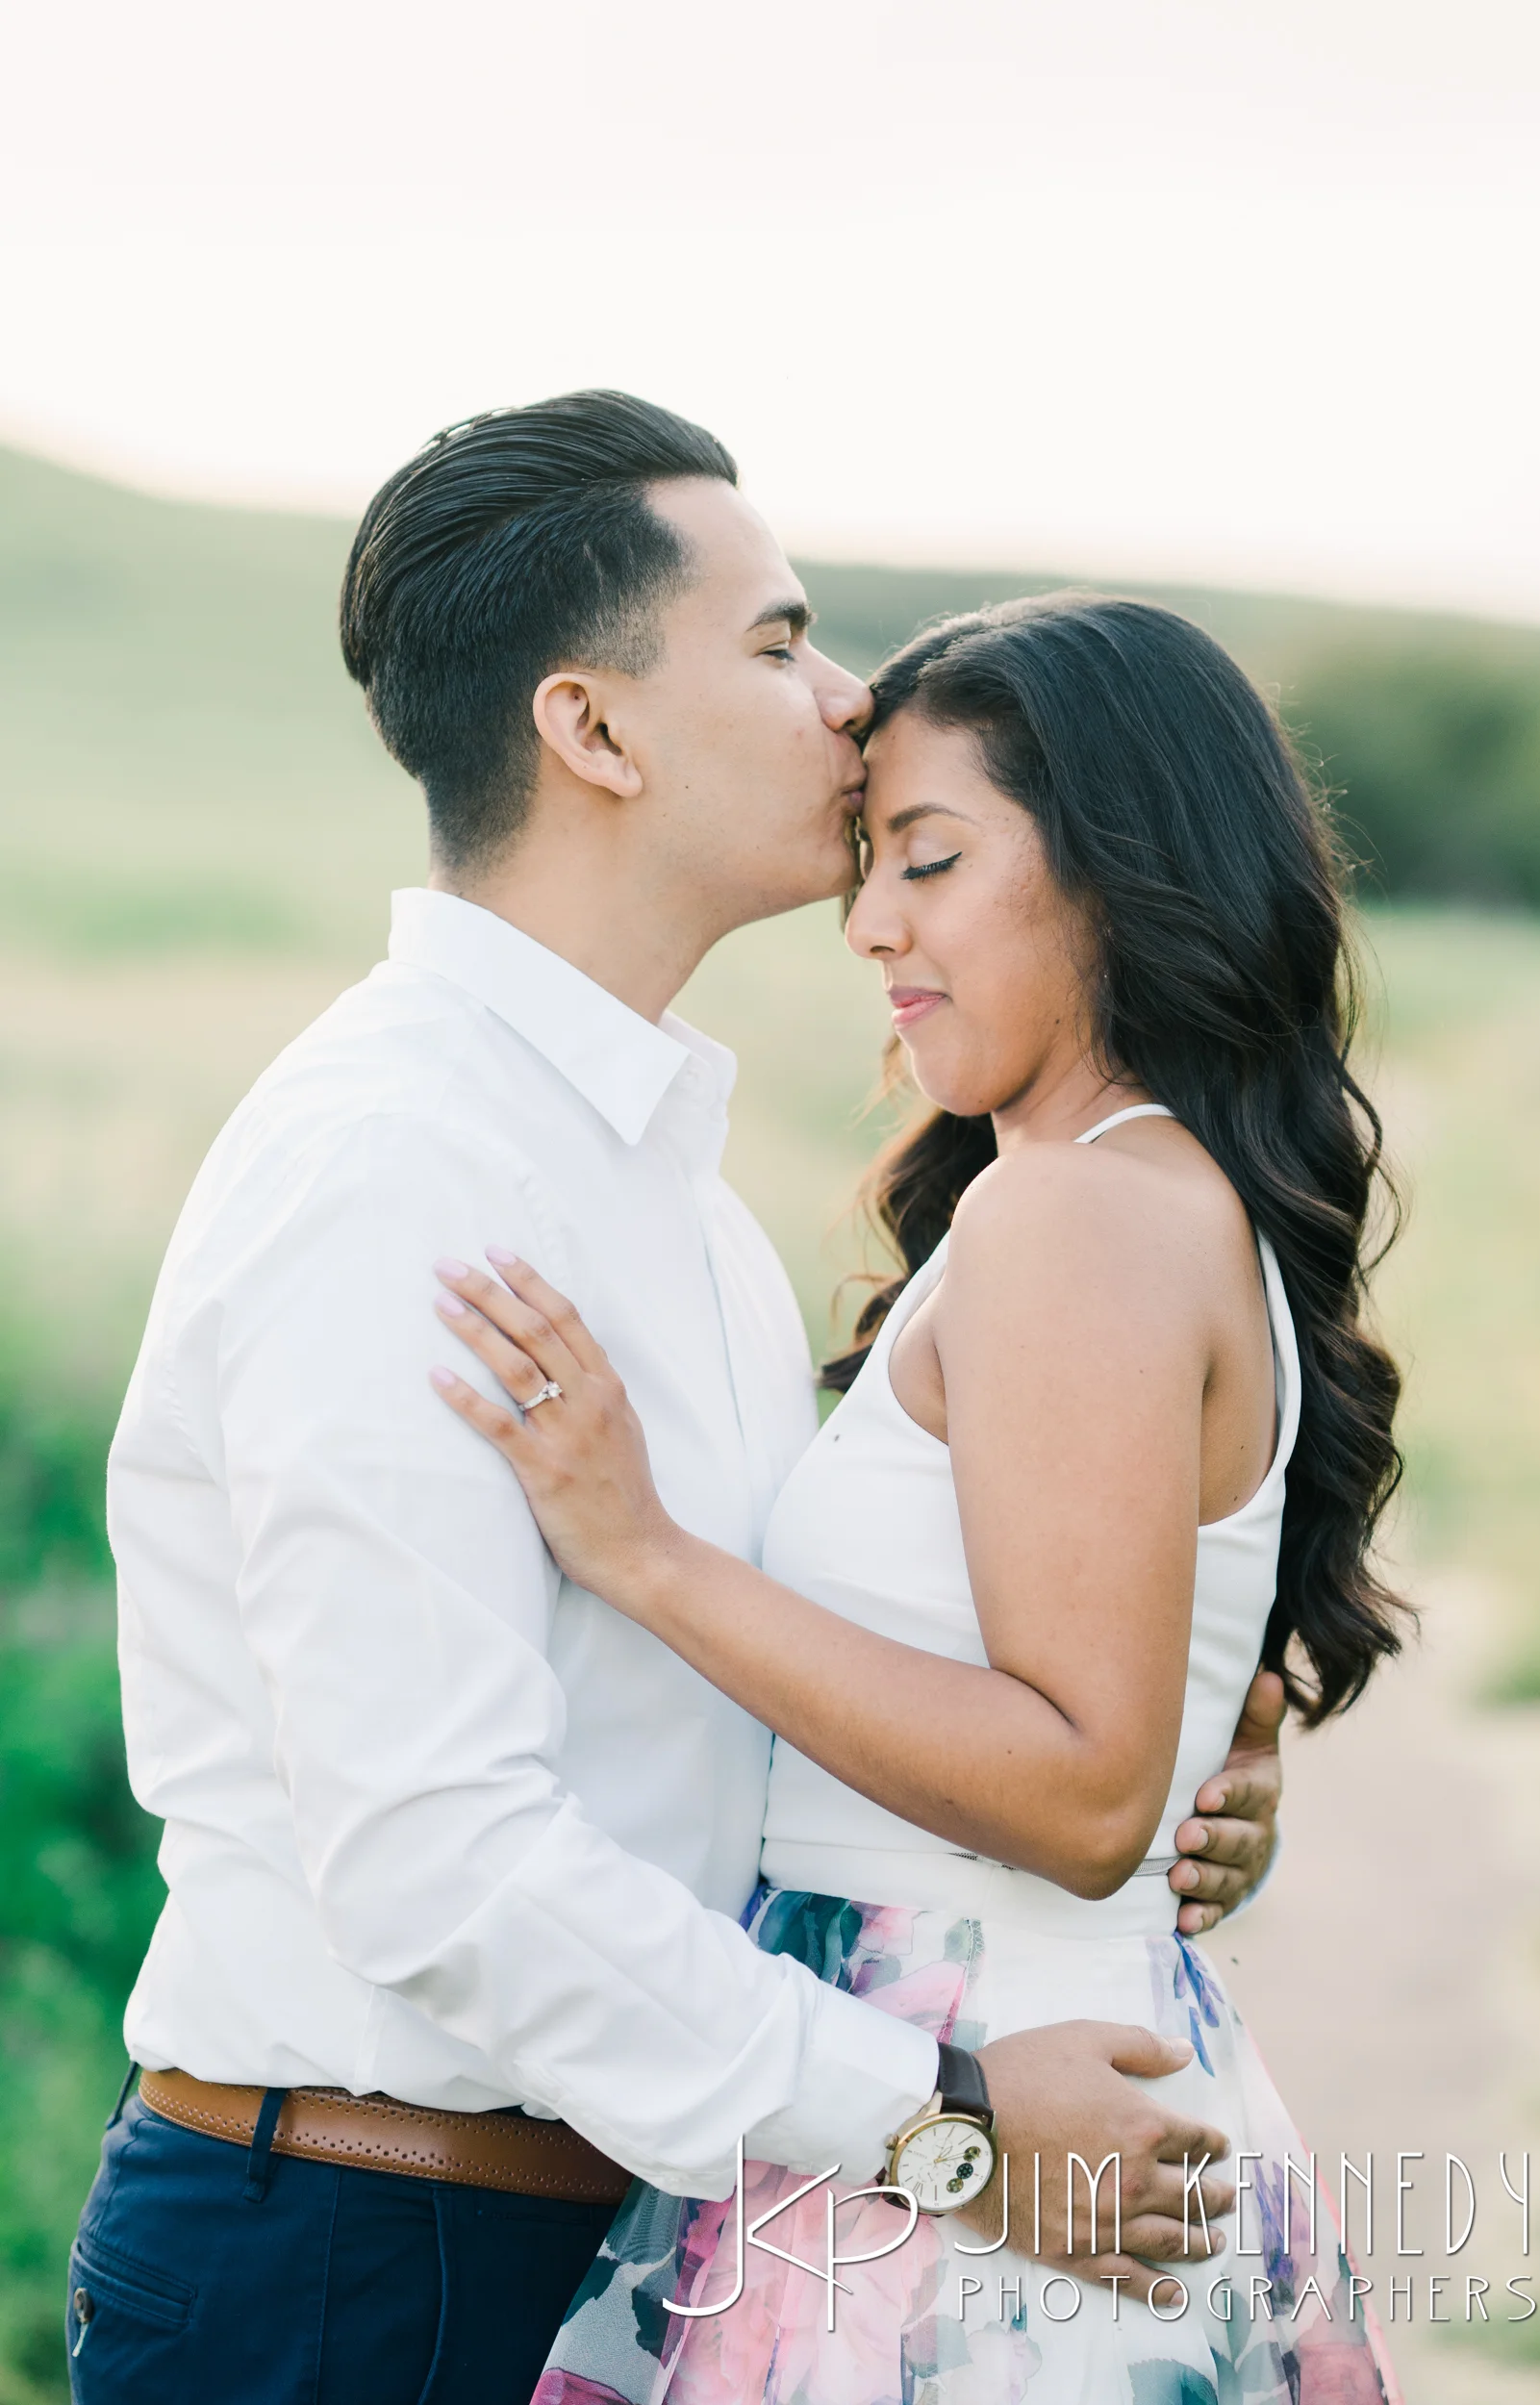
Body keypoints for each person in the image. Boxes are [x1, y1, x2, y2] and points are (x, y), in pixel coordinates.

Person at [69, 396, 1281, 2405]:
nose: (845, 700)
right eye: (778, 641)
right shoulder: (400, 1167)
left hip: (653, 2223)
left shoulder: (671, 1192)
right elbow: (438, 1857)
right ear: (594, 730)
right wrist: (947, 2128)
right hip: (371, 2254)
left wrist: (1148, 1789)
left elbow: (741, 1706)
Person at [426, 591, 1408, 2401]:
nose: (869, 922)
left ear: (1124, 867)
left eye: (932, 860)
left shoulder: (1078, 1209)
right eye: (871, 861)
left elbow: (1082, 1791)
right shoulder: (1121, 1194)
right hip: (998, 2074)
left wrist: (644, 1555)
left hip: (989, 2124)